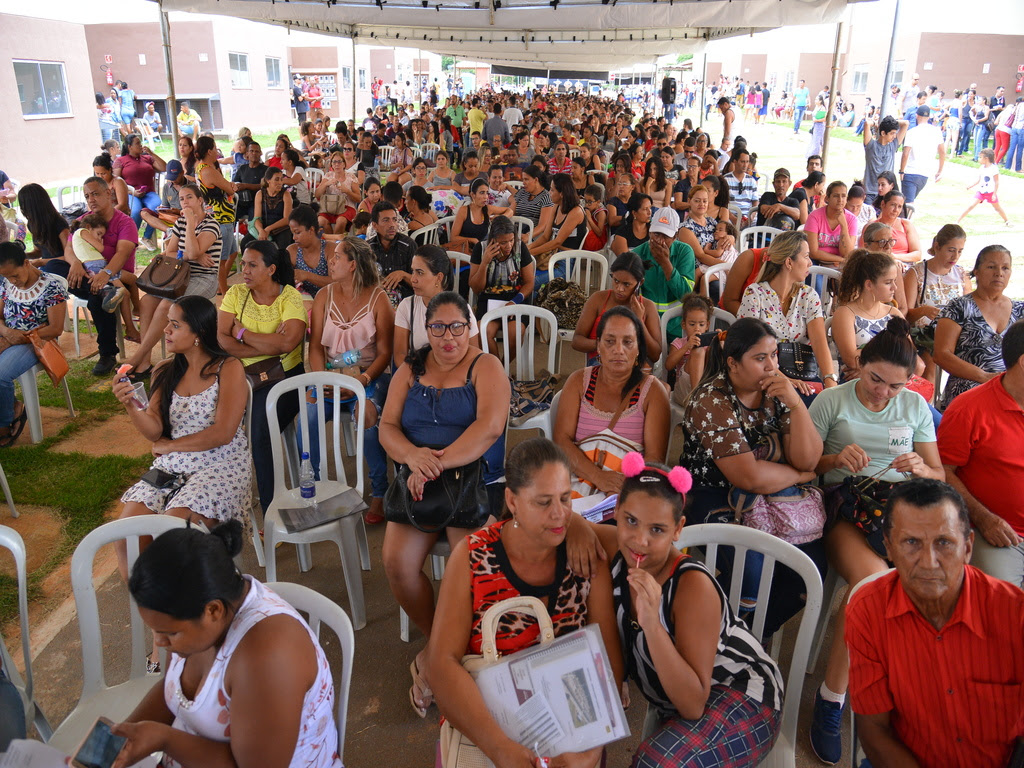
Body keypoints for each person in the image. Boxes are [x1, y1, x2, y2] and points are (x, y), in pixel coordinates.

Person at [570, 455, 784, 767]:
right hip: (679, 700)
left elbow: (693, 705)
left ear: (678, 529)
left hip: (742, 695)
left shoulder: (691, 586)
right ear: (615, 511)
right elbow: (562, 519)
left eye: (657, 529)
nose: (640, 541)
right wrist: (577, 524)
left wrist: (653, 626)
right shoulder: (617, 550)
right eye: (630, 520)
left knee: (654, 764)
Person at [427, 437, 622, 768]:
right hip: (487, 723)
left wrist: (591, 744)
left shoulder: (584, 558)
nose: (559, 514)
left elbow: (606, 662)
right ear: (512, 501)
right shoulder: (474, 556)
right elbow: (441, 663)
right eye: (543, 502)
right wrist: (500, 748)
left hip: (571, 725)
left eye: (565, 498)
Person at [807, 317, 942, 764]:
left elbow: (938, 474)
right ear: (858, 365)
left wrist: (921, 469)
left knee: (937, 585)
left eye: (896, 386)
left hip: (899, 507)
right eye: (874, 379)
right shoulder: (832, 401)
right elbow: (803, 465)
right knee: (869, 588)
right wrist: (834, 456)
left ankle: (908, 694)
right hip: (847, 505)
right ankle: (831, 699)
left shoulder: (915, 407)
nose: (883, 392)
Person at [112, 520, 343, 768]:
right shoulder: (191, 616)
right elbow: (172, 692)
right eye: (155, 630)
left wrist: (163, 739)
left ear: (213, 610)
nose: (159, 642)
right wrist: (121, 738)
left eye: (169, 633)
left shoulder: (267, 656)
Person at [380, 290, 508, 715]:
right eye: (438, 328)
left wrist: (434, 464)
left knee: (467, 570)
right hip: (418, 482)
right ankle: (438, 644)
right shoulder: (411, 368)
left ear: (469, 328)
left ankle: (438, 659)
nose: (448, 337)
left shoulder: (485, 366)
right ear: (427, 331)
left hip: (473, 482)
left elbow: (489, 428)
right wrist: (411, 457)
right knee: (397, 563)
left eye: (457, 327)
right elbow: (388, 426)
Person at [846, 479, 1024, 768]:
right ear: (889, 548)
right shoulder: (868, 611)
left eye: (944, 543)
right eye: (911, 543)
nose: (929, 563)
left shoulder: (1014, 614)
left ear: (967, 548)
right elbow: (874, 730)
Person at [113, 295, 250, 593]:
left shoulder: (228, 368)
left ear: (199, 333)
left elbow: (223, 433)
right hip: (172, 466)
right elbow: (154, 432)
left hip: (221, 465)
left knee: (173, 533)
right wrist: (130, 406)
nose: (166, 331)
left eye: (175, 325)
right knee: (126, 536)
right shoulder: (165, 370)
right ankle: (157, 616)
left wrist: (171, 446)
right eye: (168, 324)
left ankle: (185, 616)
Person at [217, 241, 307, 514]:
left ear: (271, 269)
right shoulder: (235, 294)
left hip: (285, 380)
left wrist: (242, 333)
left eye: (252, 265)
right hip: (243, 378)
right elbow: (221, 338)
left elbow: (287, 345)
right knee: (216, 425)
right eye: (243, 263)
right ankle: (220, 498)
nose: (244, 270)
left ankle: (271, 508)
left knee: (260, 433)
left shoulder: (289, 297)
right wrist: (265, 343)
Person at [939, 320, 1024, 587]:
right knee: (1001, 606)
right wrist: (983, 518)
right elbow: (942, 471)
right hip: (997, 533)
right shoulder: (970, 408)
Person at [555, 306, 669, 496]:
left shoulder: (653, 392)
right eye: (609, 341)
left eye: (627, 342)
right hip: (576, 490)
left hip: (626, 492)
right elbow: (561, 441)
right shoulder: (578, 382)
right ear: (598, 345)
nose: (618, 350)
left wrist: (622, 492)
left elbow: (653, 461)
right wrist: (599, 477)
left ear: (639, 348)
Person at [124, 183, 222, 382]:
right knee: (147, 302)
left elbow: (193, 252)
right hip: (178, 277)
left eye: (189, 198)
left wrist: (191, 235)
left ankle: (137, 357)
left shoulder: (211, 224)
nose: (185, 202)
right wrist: (190, 255)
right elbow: (170, 252)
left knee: (168, 305)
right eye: (182, 199)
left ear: (200, 201)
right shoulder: (180, 223)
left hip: (204, 278)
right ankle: (144, 364)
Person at [737, 230, 838, 394]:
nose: (810, 263)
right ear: (789, 262)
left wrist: (830, 380)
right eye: (806, 256)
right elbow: (750, 347)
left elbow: (819, 342)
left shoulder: (808, 295)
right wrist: (785, 380)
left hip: (803, 373)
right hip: (765, 374)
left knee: (824, 408)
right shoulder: (755, 294)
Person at [933, 245, 1023, 410]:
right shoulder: (959, 307)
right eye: (991, 267)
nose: (999, 273)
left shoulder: (1020, 311)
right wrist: (985, 377)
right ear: (977, 272)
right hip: (969, 385)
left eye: (1005, 268)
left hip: (1013, 389)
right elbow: (941, 355)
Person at [63, 176, 138, 375]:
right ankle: (103, 291)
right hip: (88, 274)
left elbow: (122, 253)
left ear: (108, 193)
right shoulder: (82, 221)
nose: (91, 199)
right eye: (87, 196)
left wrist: (105, 274)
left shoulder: (125, 222)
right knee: (54, 267)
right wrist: (76, 263)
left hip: (116, 276)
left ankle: (107, 354)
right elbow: (69, 248)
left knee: (96, 299)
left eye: (95, 194)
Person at [0, 242, 67, 447]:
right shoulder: (5, 283)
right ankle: (12, 405)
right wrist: (6, 333)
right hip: (9, 334)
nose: (13, 281)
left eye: (15, 276)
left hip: (36, 342)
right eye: (7, 278)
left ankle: (4, 423)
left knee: (1, 374)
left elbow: (55, 329)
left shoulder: (50, 286)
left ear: (26, 263)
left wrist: (21, 337)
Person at [572, 251, 661, 367]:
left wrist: (639, 320)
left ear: (640, 283)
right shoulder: (598, 299)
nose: (619, 288)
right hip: (600, 362)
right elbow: (577, 341)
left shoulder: (647, 307)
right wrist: (607, 344)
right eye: (616, 281)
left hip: (633, 365)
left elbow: (655, 355)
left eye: (627, 284)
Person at [468, 214, 536, 346]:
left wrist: (514, 301)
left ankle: (502, 366)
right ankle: (498, 365)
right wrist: (484, 263)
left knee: (514, 333)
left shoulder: (520, 247)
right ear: (492, 240)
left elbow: (529, 282)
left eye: (511, 240)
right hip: (488, 300)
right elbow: (476, 288)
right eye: (503, 242)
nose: (509, 246)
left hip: (516, 300)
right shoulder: (480, 249)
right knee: (484, 332)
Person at [635, 207, 695, 340]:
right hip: (646, 323)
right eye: (656, 234)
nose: (660, 241)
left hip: (677, 323)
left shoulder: (685, 252)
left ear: (675, 235)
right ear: (649, 231)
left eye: (666, 236)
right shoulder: (637, 254)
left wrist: (665, 263)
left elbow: (686, 294)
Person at [194, 136, 239, 296]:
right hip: (220, 218)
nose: (217, 151)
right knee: (222, 260)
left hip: (222, 217)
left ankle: (221, 284)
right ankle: (223, 290)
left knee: (233, 252)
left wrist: (229, 186)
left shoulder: (201, 167)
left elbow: (227, 186)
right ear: (209, 151)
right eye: (214, 148)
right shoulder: (208, 170)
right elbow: (230, 188)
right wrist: (230, 186)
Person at [114, 134, 167, 251]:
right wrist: (131, 191)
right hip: (131, 193)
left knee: (158, 208)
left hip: (148, 193)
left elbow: (164, 168)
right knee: (136, 212)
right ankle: (131, 239)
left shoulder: (147, 158)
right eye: (137, 143)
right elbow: (115, 181)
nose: (141, 145)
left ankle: (146, 237)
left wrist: (151, 153)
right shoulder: (121, 161)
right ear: (130, 147)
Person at [368, 201, 417, 306]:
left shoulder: (408, 245)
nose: (392, 225)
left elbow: (420, 282)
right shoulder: (368, 248)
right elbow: (362, 281)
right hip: (376, 301)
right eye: (386, 220)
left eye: (394, 220)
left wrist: (403, 275)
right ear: (375, 225)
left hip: (405, 303)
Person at [899, 105, 945, 205]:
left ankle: (907, 220)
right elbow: (942, 152)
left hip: (911, 171)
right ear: (929, 117)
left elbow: (905, 153)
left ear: (917, 116)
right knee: (906, 203)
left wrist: (901, 171)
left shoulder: (911, 132)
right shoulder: (936, 131)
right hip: (925, 174)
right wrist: (939, 171)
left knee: (908, 205)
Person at [448, 178, 509, 254]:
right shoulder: (464, 211)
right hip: (464, 252)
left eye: (487, 193)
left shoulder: (488, 209)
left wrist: (502, 217)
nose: (486, 197)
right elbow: (453, 238)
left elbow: (510, 211)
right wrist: (472, 240)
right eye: (482, 193)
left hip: (481, 251)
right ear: (472, 195)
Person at [804, 181, 856, 269]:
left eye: (843, 196)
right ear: (827, 198)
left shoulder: (852, 219)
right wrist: (840, 259)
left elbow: (847, 253)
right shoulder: (814, 216)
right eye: (836, 196)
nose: (840, 200)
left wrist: (843, 225)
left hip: (840, 265)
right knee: (816, 281)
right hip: (817, 262)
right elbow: (813, 252)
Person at [242, 167, 293, 252]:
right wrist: (261, 230)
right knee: (245, 243)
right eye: (277, 180)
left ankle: (280, 265)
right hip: (264, 227)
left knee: (283, 247)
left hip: (281, 228)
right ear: (268, 180)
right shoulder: (260, 194)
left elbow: (286, 219)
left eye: (281, 179)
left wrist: (268, 229)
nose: (280, 183)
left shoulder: (286, 194)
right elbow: (256, 218)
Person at [285, 205, 331, 297]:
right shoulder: (292, 251)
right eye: (292, 233)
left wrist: (307, 275)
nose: (294, 237)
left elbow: (337, 282)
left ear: (311, 230)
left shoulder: (330, 250)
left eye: (297, 232)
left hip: (328, 301)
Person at [862, 115, 909, 204]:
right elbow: (867, 124)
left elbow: (906, 123)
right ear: (883, 133)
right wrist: (877, 123)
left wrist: (889, 123)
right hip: (870, 193)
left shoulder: (893, 145)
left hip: (886, 194)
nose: (894, 136)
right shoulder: (871, 146)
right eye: (892, 133)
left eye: (895, 133)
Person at [867, 190, 921, 268]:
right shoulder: (871, 227)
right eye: (893, 205)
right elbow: (865, 253)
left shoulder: (906, 224)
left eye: (899, 206)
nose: (896, 210)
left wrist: (895, 257)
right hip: (880, 265)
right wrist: (890, 260)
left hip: (905, 266)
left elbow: (917, 254)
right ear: (883, 204)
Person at [958, 148, 1010, 226]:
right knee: (971, 205)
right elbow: (979, 180)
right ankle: (958, 221)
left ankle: (1007, 220)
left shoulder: (994, 169)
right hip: (981, 192)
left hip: (990, 192)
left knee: (997, 208)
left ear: (986, 158)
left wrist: (994, 194)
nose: (979, 159)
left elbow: (996, 182)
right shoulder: (982, 168)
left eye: (980, 157)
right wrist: (970, 186)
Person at [610, 192, 652, 257]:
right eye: (645, 209)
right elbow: (626, 261)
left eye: (650, 208)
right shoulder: (622, 233)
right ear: (634, 213)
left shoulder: (653, 231)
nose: (649, 212)